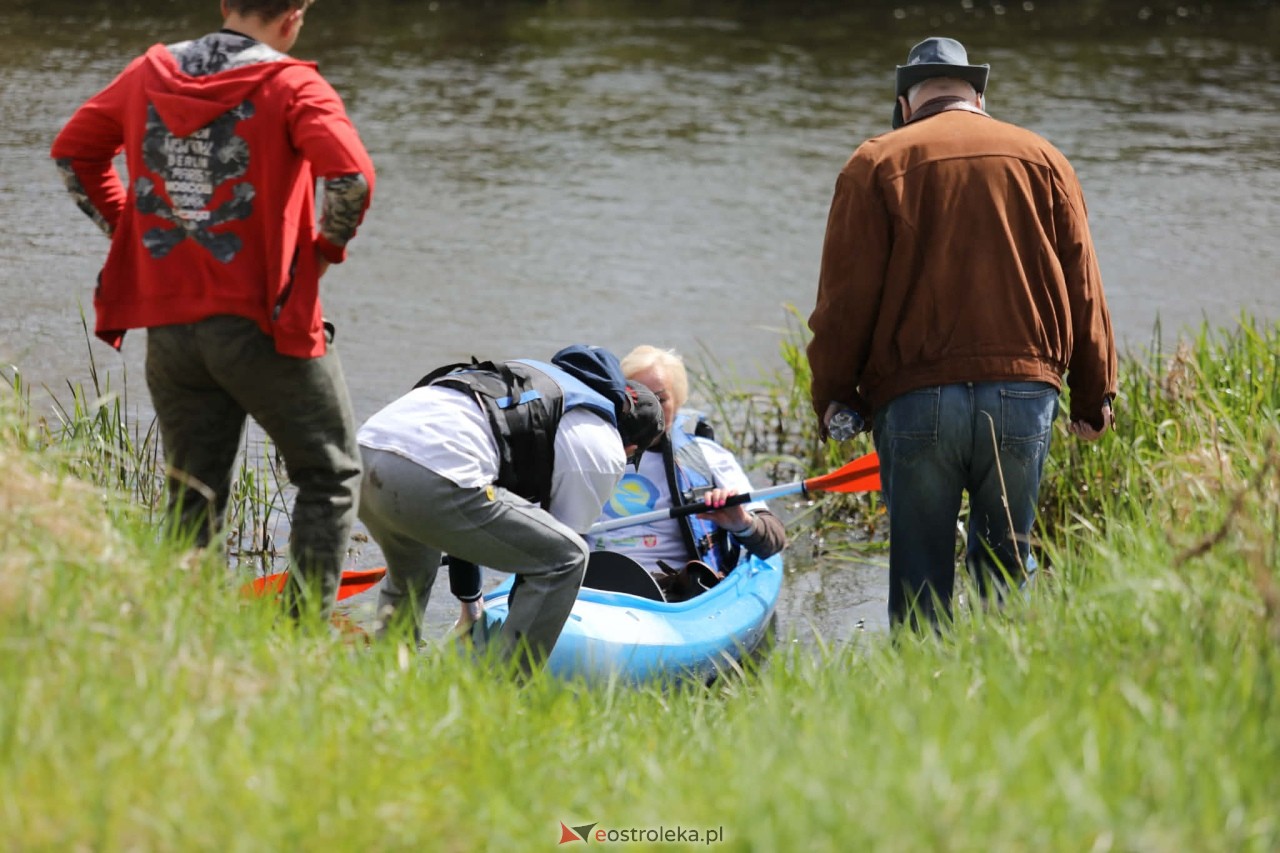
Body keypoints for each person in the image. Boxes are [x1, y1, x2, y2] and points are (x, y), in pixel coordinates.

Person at [50, 0, 375, 620]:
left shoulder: (151, 70)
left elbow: (74, 155)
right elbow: (352, 180)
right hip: (264, 324)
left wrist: (136, 233)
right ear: (295, 16)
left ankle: (181, 635)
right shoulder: (292, 84)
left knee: (192, 495)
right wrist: (322, 253)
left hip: (171, 328)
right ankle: (300, 642)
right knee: (329, 476)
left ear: (226, 5)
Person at [806, 36, 1118, 631]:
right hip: (1025, 396)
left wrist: (835, 399)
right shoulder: (1043, 157)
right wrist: (1094, 392)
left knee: (920, 586)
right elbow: (1085, 283)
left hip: (916, 398)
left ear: (905, 104)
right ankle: (1005, 705)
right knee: (1006, 570)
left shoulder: (874, 163)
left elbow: (843, 304)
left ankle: (924, 712)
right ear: (977, 96)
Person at [355, 345, 664, 670]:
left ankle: (386, 675)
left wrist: (471, 603)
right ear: (631, 447)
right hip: (430, 475)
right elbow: (548, 564)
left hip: (366, 452)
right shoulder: (601, 442)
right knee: (568, 559)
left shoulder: (537, 380)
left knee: (411, 570)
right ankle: (501, 692)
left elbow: (470, 491)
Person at [587, 346, 786, 594]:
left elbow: (773, 540)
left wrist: (741, 523)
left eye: (660, 399)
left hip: (675, 592)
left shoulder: (708, 456)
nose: (649, 410)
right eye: (636, 398)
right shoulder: (589, 455)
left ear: (678, 402)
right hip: (593, 586)